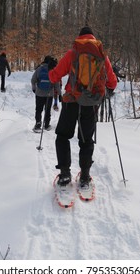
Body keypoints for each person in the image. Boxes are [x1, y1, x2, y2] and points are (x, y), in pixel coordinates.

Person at [48, 26, 117, 189]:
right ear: (93, 38)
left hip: (71, 101)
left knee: (63, 136)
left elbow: (54, 76)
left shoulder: (73, 53)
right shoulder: (101, 55)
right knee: (86, 140)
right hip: (91, 103)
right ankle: (85, 176)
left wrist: (51, 68)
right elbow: (112, 82)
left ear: (80, 37)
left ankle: (65, 174)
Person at [31, 56, 61, 132]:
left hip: (39, 93)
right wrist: (60, 94)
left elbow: (33, 80)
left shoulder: (39, 69)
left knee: (38, 109)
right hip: (49, 94)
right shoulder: (52, 70)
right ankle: (46, 125)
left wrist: (34, 89)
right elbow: (56, 84)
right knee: (47, 110)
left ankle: (38, 124)